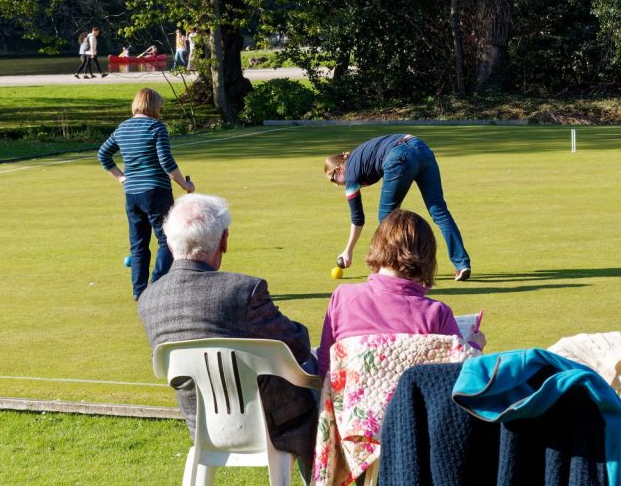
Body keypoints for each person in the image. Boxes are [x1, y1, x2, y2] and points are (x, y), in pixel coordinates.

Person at [138, 193, 318, 481]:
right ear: (224, 240)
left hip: (202, 424)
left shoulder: (149, 299)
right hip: (274, 422)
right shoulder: (244, 291)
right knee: (317, 372)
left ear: (170, 244)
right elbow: (298, 347)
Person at [317, 209, 485, 378]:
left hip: (348, 404)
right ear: (427, 257)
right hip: (413, 404)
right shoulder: (436, 314)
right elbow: (460, 378)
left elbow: (325, 366)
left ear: (377, 245)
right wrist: (473, 348)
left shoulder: (342, 297)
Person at [325, 134, 471, 281]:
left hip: (399, 155)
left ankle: (396, 268)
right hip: (421, 148)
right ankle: (462, 264)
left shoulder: (350, 174)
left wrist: (348, 250)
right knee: (439, 210)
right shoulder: (357, 157)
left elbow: (358, 218)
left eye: (333, 179)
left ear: (339, 169)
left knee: (387, 219)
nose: (337, 184)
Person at [97, 88, 195, 301]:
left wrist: (122, 178)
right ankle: (157, 287)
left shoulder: (122, 128)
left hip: (132, 194)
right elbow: (166, 162)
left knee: (138, 244)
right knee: (168, 240)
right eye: (160, 107)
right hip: (156, 192)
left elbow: (103, 154)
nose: (161, 111)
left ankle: (139, 291)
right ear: (153, 106)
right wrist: (185, 186)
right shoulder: (156, 127)